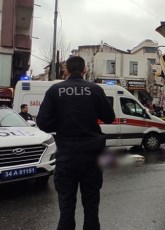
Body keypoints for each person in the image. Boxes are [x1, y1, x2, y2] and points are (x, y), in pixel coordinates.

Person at [36, 56, 115, 230]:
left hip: (67, 155)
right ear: (84, 70)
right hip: (93, 156)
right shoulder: (95, 89)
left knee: (66, 208)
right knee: (91, 207)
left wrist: (62, 125)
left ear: (66, 70)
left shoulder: (55, 90)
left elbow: (42, 122)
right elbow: (109, 117)